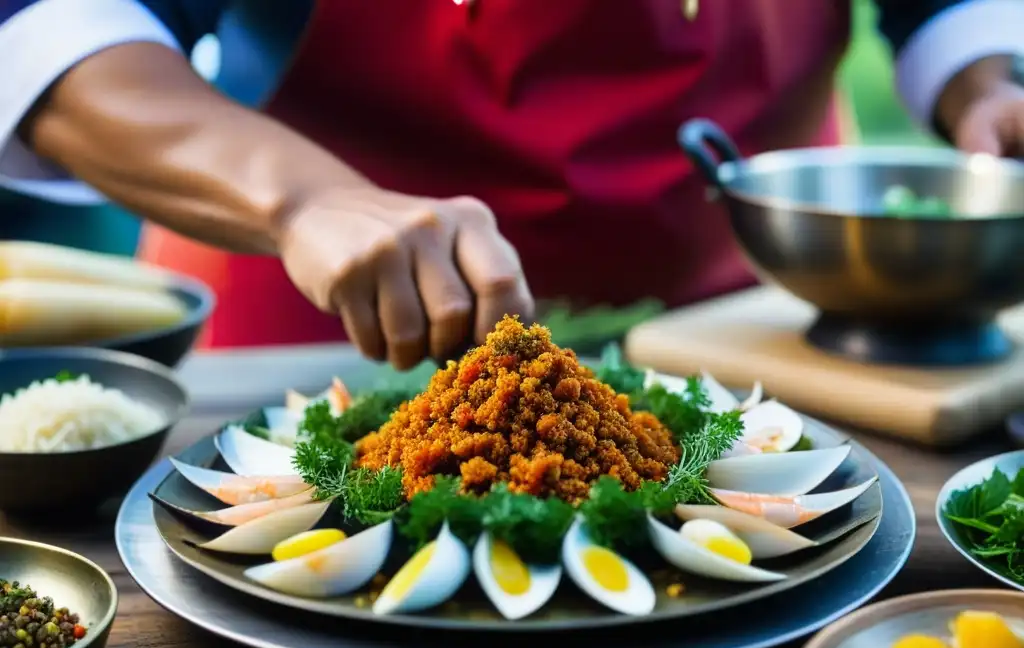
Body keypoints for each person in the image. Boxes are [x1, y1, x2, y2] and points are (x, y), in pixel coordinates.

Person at [0, 0, 1022, 370]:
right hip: (331, 339)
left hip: (762, 333)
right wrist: (304, 201)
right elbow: (52, 25)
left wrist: (991, 85)